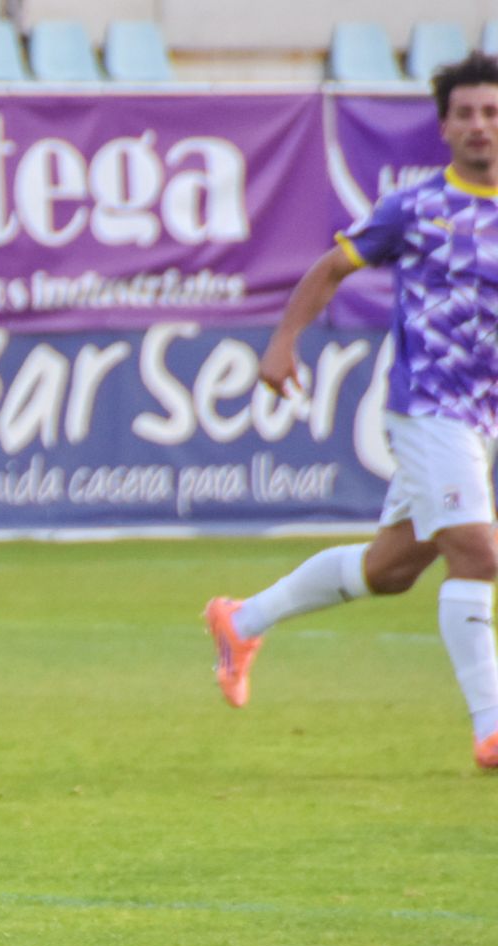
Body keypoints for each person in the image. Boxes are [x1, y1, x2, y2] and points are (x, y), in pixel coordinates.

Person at [207, 52, 498, 767]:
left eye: (491, 113)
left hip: (478, 418)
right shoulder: (418, 207)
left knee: (392, 568)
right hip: (427, 406)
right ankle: (491, 727)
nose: (480, 127)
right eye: (465, 114)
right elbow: (333, 266)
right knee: (478, 551)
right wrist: (283, 342)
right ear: (443, 127)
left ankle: (241, 620)